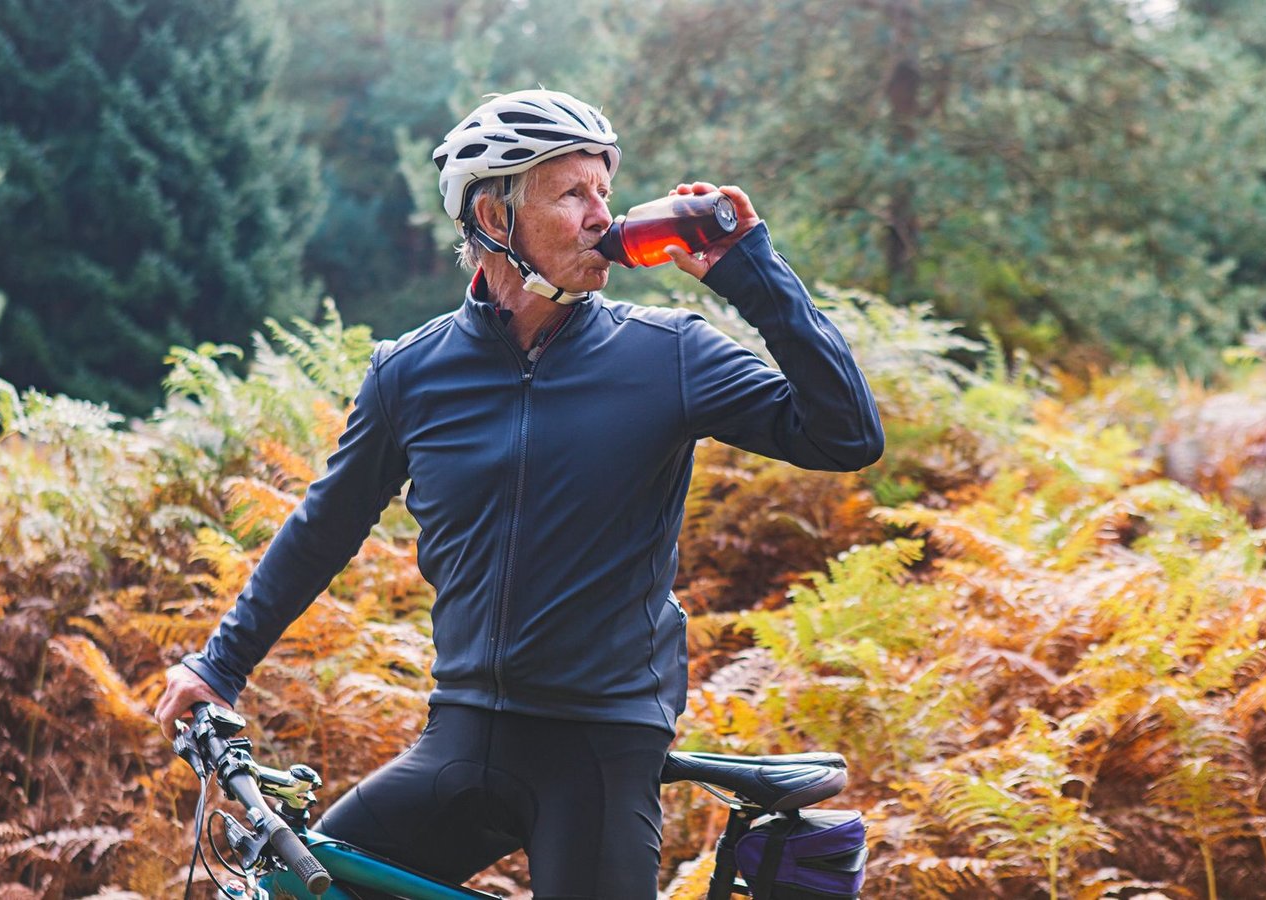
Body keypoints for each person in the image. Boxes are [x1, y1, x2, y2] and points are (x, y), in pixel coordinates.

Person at [154, 89, 884, 899]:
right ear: (494, 217)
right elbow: (325, 526)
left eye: (603, 192)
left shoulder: (669, 356)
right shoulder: (412, 373)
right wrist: (218, 668)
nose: (599, 216)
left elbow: (846, 434)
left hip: (601, 749)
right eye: (572, 194)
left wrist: (753, 272)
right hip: (463, 736)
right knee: (295, 890)